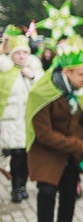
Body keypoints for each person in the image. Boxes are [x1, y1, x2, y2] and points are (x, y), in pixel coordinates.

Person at [26, 38, 83, 222]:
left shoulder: (81, 91)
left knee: (69, 197)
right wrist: (79, 145)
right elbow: (44, 134)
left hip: (72, 157)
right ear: (66, 72)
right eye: (82, 74)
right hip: (48, 153)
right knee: (47, 194)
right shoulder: (43, 91)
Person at [0, 36, 43, 202]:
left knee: (25, 156)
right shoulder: (5, 72)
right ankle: (16, 188)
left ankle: (22, 185)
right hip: (11, 120)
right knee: (17, 155)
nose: (22, 56)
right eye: (18, 53)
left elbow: (41, 90)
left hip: (28, 120)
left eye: (25, 53)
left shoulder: (33, 70)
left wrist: (32, 77)